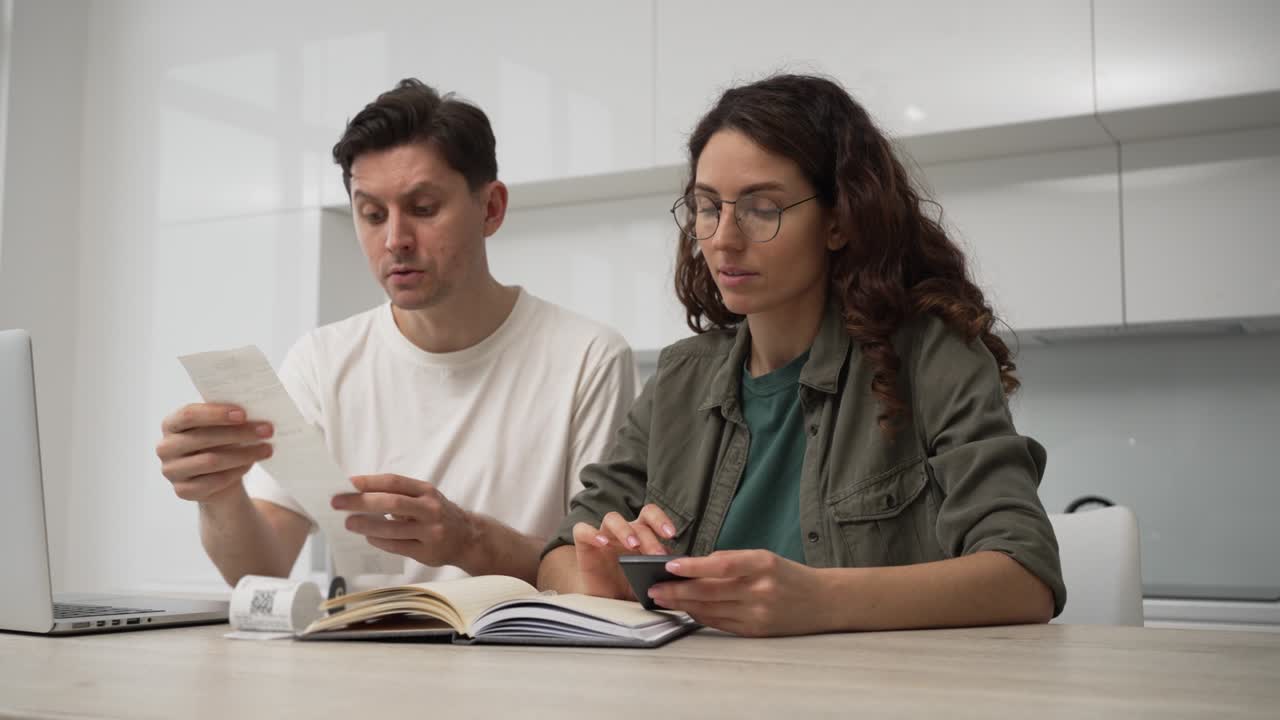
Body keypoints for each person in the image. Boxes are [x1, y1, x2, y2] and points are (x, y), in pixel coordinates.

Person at [537, 74, 1065, 637]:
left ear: (839, 219)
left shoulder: (932, 358)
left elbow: (1024, 576)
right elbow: (557, 556)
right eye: (707, 206)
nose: (722, 238)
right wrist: (602, 578)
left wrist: (818, 600)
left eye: (763, 208)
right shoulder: (678, 379)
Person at [155, 79, 636, 587]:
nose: (395, 240)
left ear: (491, 208)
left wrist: (469, 540)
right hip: (369, 657)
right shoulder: (322, 361)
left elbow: (600, 576)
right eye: (372, 214)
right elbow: (260, 569)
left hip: (528, 655)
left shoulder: (589, 358)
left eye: (424, 209)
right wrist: (218, 494)